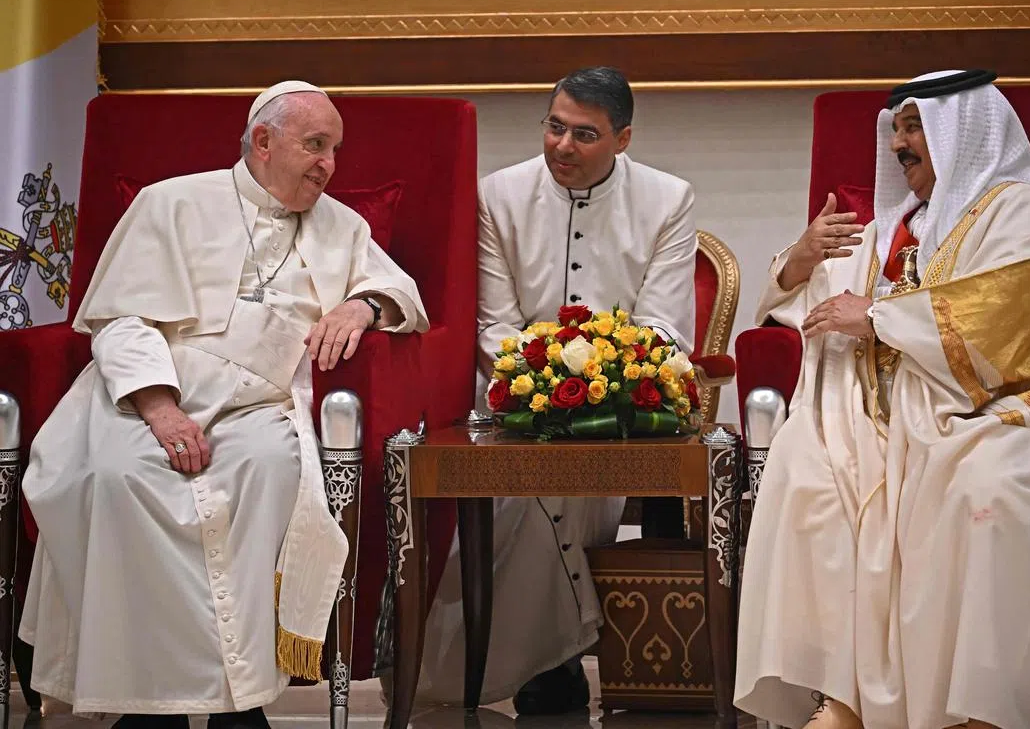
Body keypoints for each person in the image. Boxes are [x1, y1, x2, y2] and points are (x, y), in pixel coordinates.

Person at [19, 81, 428, 728]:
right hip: (147, 397)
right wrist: (161, 409)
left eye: (335, 150)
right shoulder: (171, 204)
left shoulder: (340, 226)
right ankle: (145, 707)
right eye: (315, 145)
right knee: (114, 477)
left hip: (259, 407)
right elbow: (121, 321)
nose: (329, 164)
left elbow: (401, 293)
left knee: (267, 470)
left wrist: (363, 303)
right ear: (263, 141)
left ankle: (242, 702)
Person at [734, 70, 1030, 729]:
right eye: (895, 128)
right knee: (809, 474)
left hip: (1001, 402)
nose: (900, 143)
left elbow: (1003, 318)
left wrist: (877, 315)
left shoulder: (1025, 213)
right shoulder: (886, 227)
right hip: (881, 403)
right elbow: (815, 308)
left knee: (989, 491)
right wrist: (798, 261)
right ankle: (840, 700)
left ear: (963, 131)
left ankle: (979, 714)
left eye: (914, 126)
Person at [416, 66, 697, 714]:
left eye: (584, 135)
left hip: (622, 409)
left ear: (622, 139)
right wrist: (536, 384)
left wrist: (600, 393)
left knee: (577, 471)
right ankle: (559, 651)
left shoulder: (668, 198)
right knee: (540, 475)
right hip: (515, 400)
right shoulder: (498, 194)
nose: (562, 147)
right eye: (554, 127)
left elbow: (662, 328)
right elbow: (495, 324)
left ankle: (546, 658)